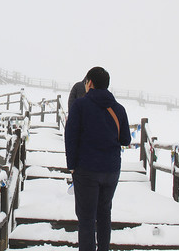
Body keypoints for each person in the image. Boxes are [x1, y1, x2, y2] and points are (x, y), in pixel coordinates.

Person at [64, 67, 131, 251]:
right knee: (104, 215)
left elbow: (70, 136)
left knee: (86, 220)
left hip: (86, 171)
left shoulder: (80, 105)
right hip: (111, 171)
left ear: (90, 83)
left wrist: (71, 166)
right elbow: (125, 139)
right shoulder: (119, 109)